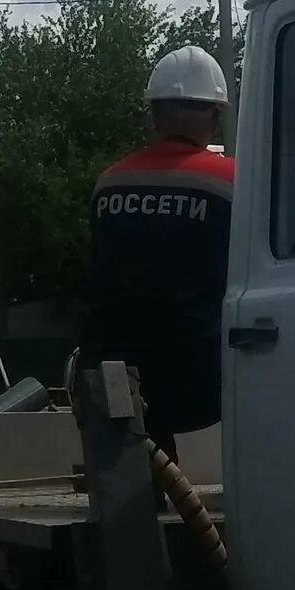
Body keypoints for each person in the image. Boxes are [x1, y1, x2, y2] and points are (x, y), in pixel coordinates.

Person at [78, 44, 236, 445]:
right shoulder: (234, 182)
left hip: (117, 380)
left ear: (154, 114)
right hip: (204, 380)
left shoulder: (109, 183)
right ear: (216, 116)